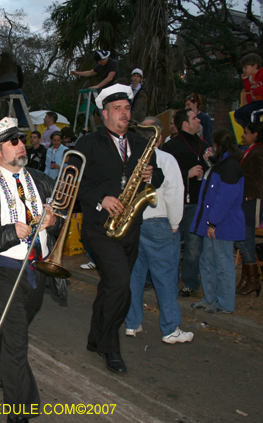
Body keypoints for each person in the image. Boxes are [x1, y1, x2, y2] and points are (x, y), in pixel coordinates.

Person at [0, 117, 66, 423]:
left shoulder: (40, 179)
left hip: (37, 268)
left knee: (15, 334)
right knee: (17, 343)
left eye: (20, 139)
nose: (21, 144)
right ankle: (19, 410)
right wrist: (11, 232)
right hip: (5, 270)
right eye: (13, 142)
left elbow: (61, 217)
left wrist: (55, 221)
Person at [73, 84, 164, 374]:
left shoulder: (139, 143)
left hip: (130, 227)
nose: (125, 114)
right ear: (104, 114)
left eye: (127, 108)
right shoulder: (88, 142)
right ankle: (110, 345)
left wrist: (152, 175)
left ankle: (94, 337)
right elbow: (74, 183)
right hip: (100, 227)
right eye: (118, 109)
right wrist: (101, 198)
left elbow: (157, 178)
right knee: (121, 285)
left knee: (111, 285)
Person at [123, 117, 192, 343]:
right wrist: (175, 224)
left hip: (134, 223)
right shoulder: (166, 158)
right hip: (159, 222)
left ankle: (132, 323)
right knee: (166, 276)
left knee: (135, 275)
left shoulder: (129, 157)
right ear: (159, 137)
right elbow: (174, 192)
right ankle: (170, 328)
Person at [190, 128, 245, 314]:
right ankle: (211, 298)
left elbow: (225, 199)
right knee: (208, 261)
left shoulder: (229, 166)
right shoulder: (221, 164)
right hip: (213, 222)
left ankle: (225, 303)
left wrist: (213, 223)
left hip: (222, 224)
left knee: (222, 263)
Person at [162, 108, 213, 297]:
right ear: (185, 124)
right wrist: (186, 174)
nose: (199, 120)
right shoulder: (170, 147)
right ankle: (170, 281)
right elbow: (163, 176)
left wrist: (211, 162)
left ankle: (190, 282)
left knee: (193, 245)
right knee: (172, 245)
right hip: (175, 203)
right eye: (194, 118)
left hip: (196, 205)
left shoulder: (204, 145)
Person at [235, 122, 263, 296]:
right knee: (243, 240)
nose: (243, 135)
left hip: (250, 201)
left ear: (255, 134)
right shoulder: (251, 150)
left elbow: (256, 178)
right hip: (245, 200)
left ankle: (253, 280)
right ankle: (247, 279)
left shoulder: (259, 153)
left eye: (246, 132)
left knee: (247, 240)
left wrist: (237, 174)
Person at [233, 53, 263, 129]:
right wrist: (245, 80)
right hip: (258, 101)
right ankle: (248, 132)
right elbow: (249, 94)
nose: (243, 70)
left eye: (245, 67)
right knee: (238, 113)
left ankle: (256, 134)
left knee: (252, 113)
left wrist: (255, 91)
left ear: (254, 65)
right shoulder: (252, 77)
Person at [0, 51, 30, 127]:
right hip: (11, 88)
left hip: (0, 90)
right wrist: (20, 87)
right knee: (24, 100)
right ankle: (22, 122)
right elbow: (20, 77)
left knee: (17, 102)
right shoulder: (15, 65)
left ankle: (18, 120)